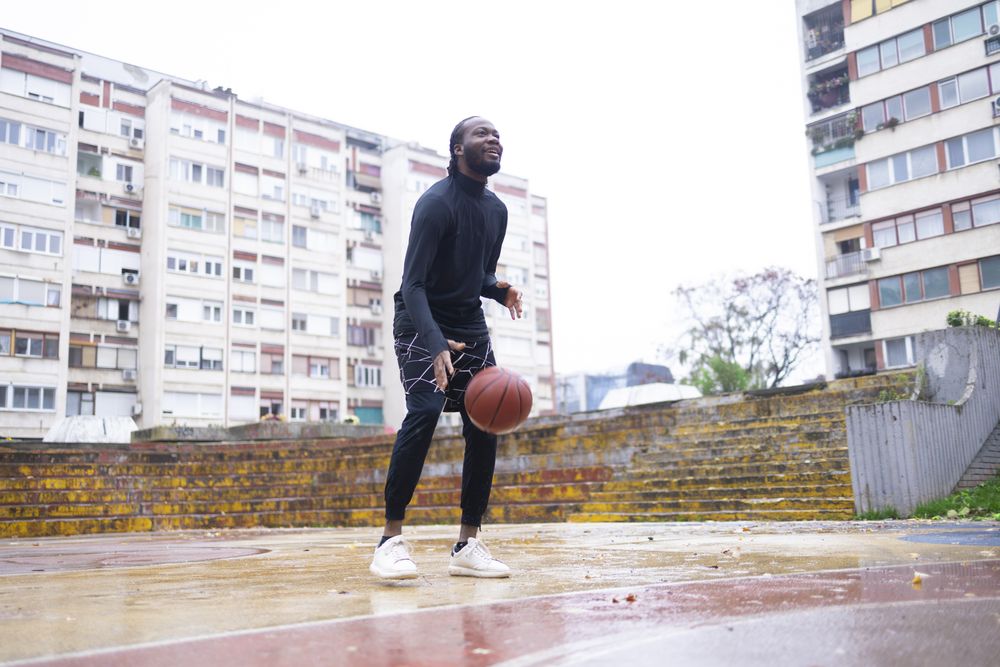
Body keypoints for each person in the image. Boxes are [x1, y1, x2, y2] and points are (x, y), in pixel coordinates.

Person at [369, 116, 523, 580]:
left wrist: (499, 289)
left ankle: (468, 544)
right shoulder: (435, 204)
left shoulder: (497, 211)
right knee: (424, 410)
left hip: (469, 323)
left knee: (486, 421)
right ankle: (390, 541)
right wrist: (435, 344)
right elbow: (412, 284)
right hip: (420, 319)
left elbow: (476, 275)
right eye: (481, 133)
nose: (493, 138)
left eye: (497, 134)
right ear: (457, 148)